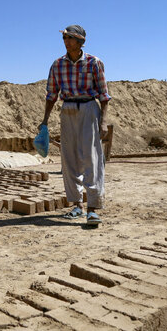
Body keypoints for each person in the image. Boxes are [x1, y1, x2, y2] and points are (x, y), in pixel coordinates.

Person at [40, 25, 111, 226]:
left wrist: (103, 121)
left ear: (80, 42)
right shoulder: (57, 65)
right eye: (65, 37)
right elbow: (51, 95)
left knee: (91, 157)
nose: (67, 41)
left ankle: (93, 208)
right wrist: (44, 121)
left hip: (89, 108)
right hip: (68, 109)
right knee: (69, 158)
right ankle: (77, 205)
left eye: (71, 37)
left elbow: (104, 96)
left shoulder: (94, 62)